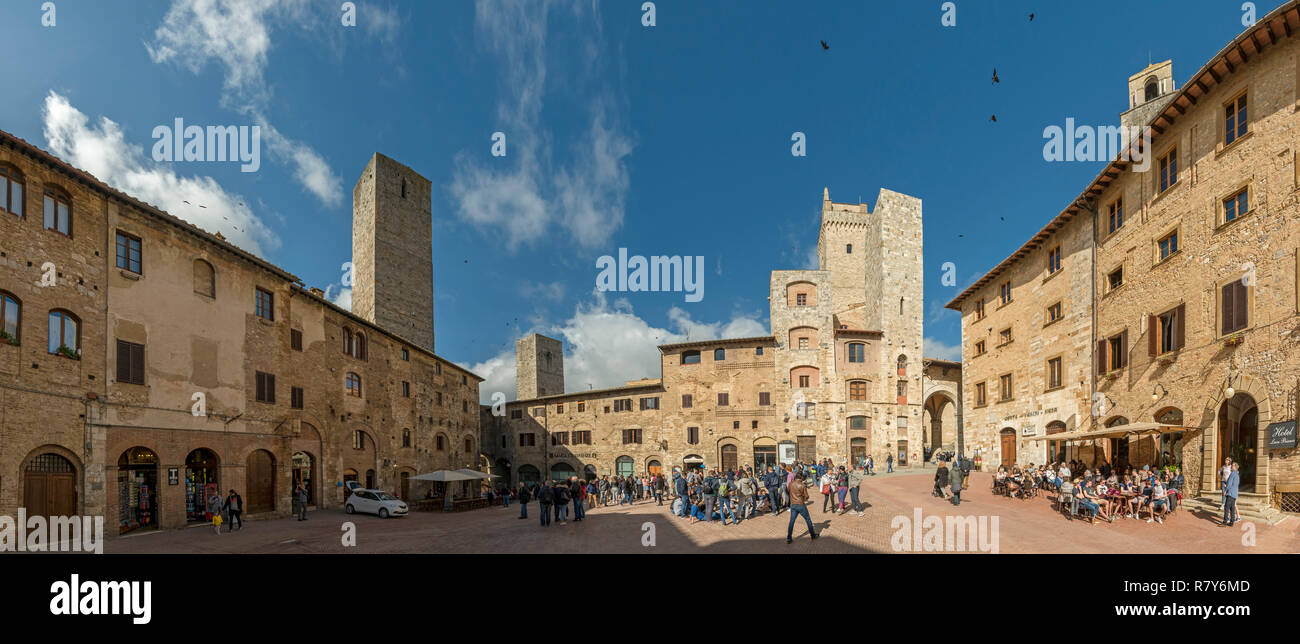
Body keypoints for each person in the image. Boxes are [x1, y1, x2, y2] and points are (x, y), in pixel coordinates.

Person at [785, 471, 818, 544]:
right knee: (808, 520)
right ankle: (813, 535)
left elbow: (787, 491)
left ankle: (789, 538)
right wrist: (803, 496)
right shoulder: (802, 485)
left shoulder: (790, 483)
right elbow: (807, 496)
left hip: (793, 504)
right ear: (801, 477)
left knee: (791, 521)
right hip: (800, 504)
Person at [1221, 462, 1240, 527]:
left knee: (1226, 508)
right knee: (1232, 509)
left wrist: (1225, 490)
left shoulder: (1232, 474)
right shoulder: (1237, 475)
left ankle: (1224, 522)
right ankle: (1232, 522)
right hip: (1235, 494)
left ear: (1235, 467)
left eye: (1232, 466)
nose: (1231, 467)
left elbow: (1229, 483)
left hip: (1230, 493)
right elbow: (1236, 484)